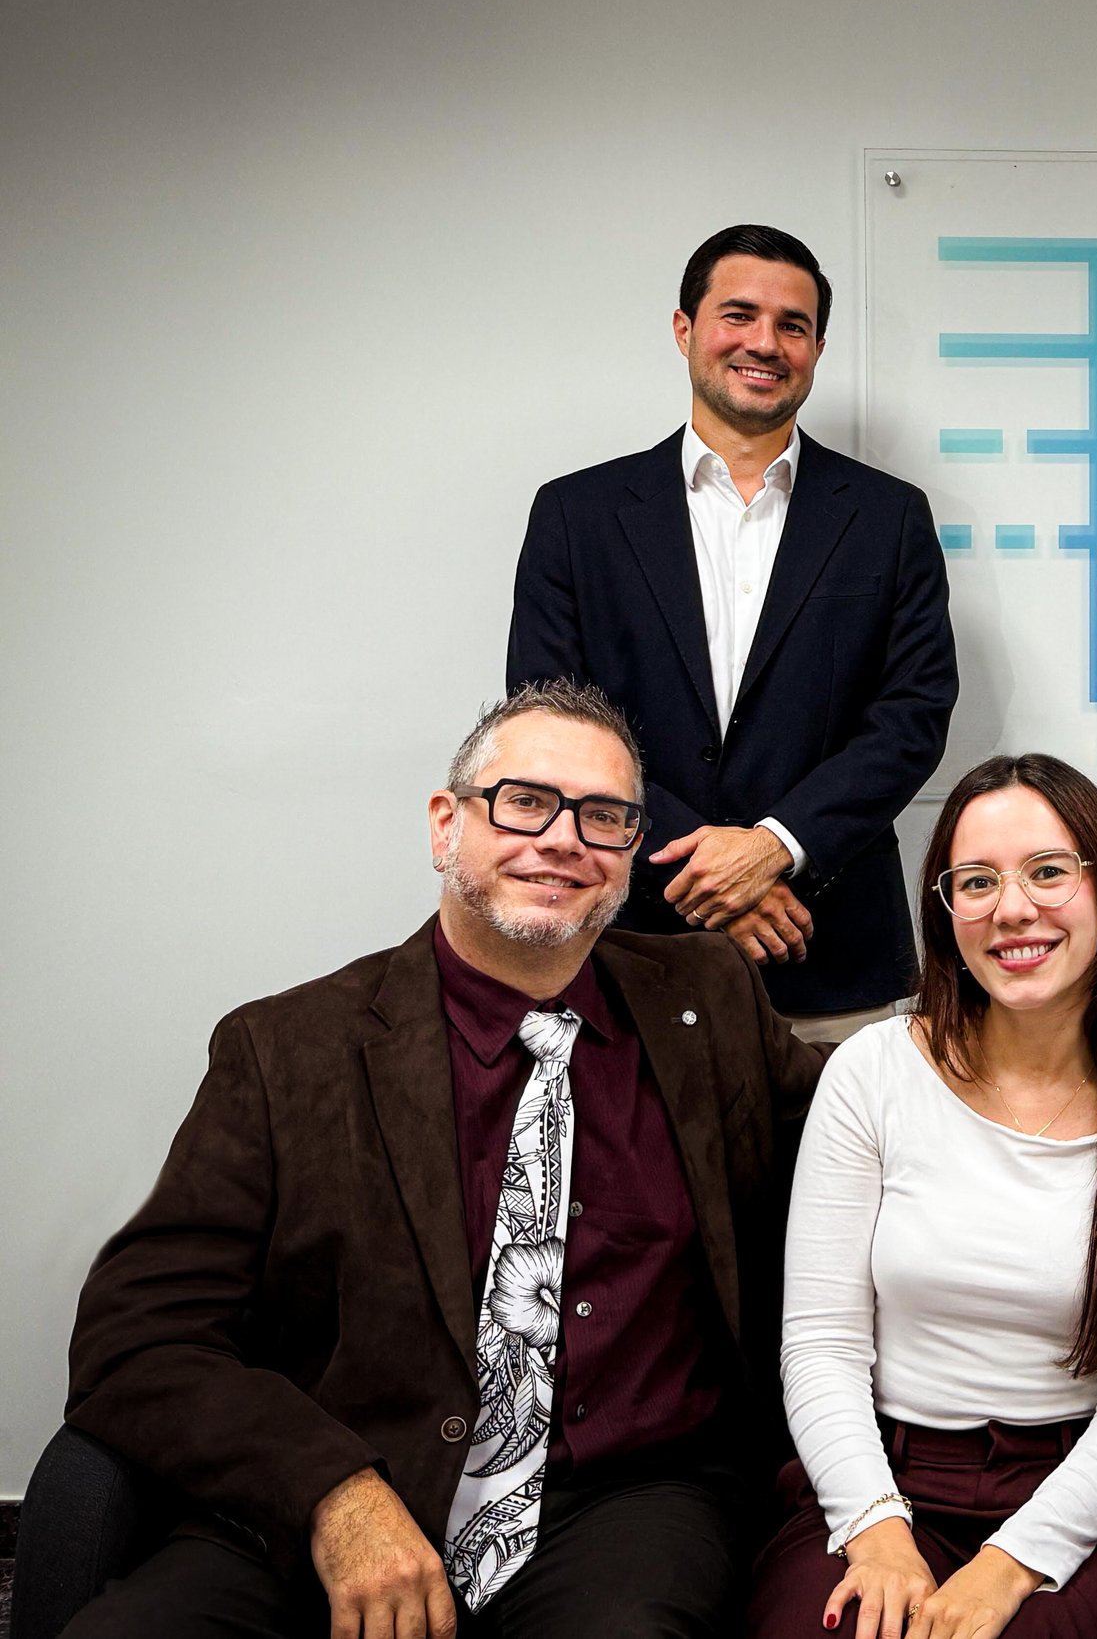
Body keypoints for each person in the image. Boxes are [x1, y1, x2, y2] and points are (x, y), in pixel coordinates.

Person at [61, 680, 828, 1639]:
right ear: (445, 825)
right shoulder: (287, 1050)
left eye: (604, 816)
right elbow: (137, 1334)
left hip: (626, 1502)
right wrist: (333, 1492)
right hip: (337, 1494)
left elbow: (871, 1143)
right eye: (523, 801)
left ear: (632, 850)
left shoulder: (709, 1001)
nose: (561, 838)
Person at [749, 754, 1097, 1639]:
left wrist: (1014, 1563)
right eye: (976, 881)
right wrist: (875, 1527)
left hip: (1078, 1498)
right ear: (946, 913)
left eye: (1048, 872)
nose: (1012, 909)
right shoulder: (873, 1069)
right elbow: (820, 1342)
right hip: (877, 1474)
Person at [508, 223, 958, 1040]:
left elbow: (913, 715)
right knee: (629, 1171)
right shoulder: (577, 516)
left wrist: (776, 847)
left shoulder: (888, 518)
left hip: (825, 949)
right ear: (685, 330)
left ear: (818, 347)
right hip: (626, 939)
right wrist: (706, 865)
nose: (765, 343)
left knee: (834, 1174)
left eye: (793, 325)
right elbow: (549, 725)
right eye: (738, 315)